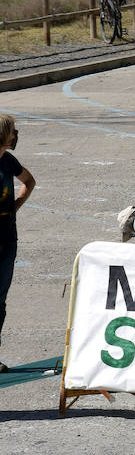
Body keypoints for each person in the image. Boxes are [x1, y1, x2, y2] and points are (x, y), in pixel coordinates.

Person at [0, 115, 35, 373]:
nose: (15, 135)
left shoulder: (8, 161)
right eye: (12, 131)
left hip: (7, 240)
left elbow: (29, 181)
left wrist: (16, 206)